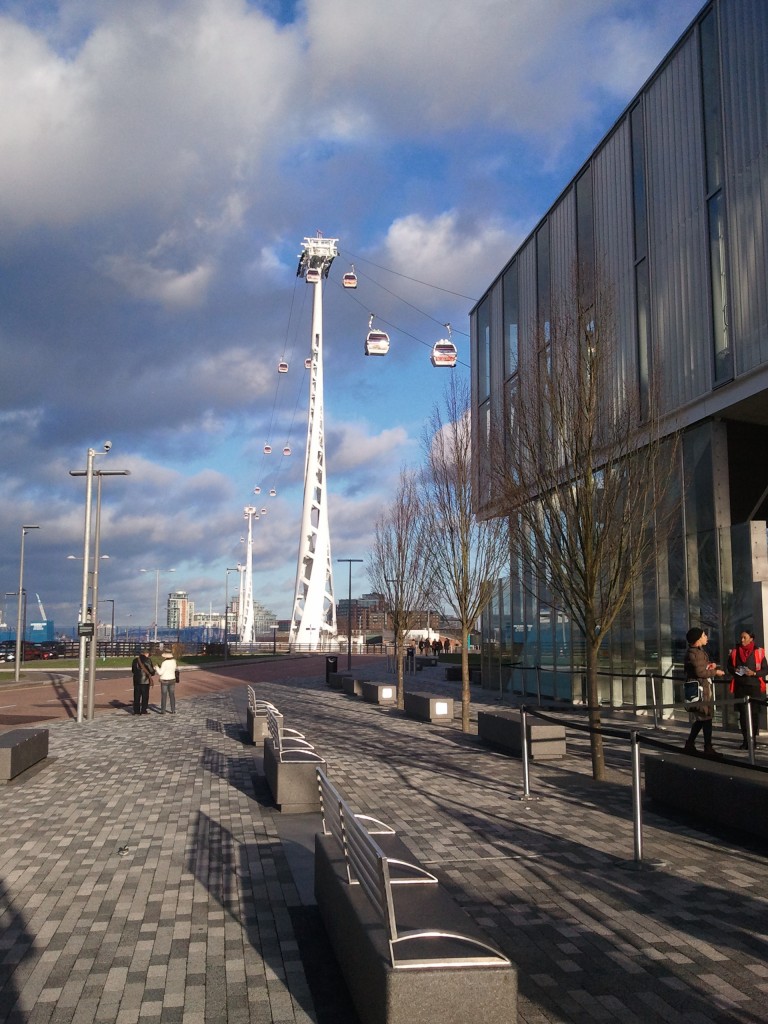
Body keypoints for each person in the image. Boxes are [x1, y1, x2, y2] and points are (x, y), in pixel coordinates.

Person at [683, 627, 725, 757]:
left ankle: (691, 744)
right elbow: (700, 672)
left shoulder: (697, 652)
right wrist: (715, 672)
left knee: (703, 718)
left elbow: (700, 668)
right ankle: (707, 747)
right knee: (706, 717)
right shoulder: (695, 653)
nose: (706, 637)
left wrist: (709, 666)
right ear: (698, 639)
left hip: (702, 687)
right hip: (701, 689)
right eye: (704, 635)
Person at [728, 628, 767, 749]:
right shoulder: (735, 651)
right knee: (743, 715)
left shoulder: (758, 652)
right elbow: (729, 667)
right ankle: (745, 740)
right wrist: (737, 671)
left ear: (751, 639)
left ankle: (752, 741)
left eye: (744, 637)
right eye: (741, 637)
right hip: (740, 686)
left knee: (754, 715)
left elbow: (765, 669)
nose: (742, 640)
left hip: (754, 686)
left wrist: (754, 673)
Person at [131, 646, 154, 715]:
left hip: (136, 680)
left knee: (136, 696)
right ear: (146, 654)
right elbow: (151, 670)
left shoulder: (135, 660)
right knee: (145, 696)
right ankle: (143, 710)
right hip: (145, 681)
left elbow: (133, 670)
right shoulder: (147, 660)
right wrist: (152, 673)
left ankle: (136, 711)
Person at [157, 649, 178, 714]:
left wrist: (157, 668)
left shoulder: (164, 663)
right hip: (172, 679)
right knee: (172, 695)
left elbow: (160, 672)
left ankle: (163, 710)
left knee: (164, 695)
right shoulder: (174, 661)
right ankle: (173, 710)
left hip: (165, 680)